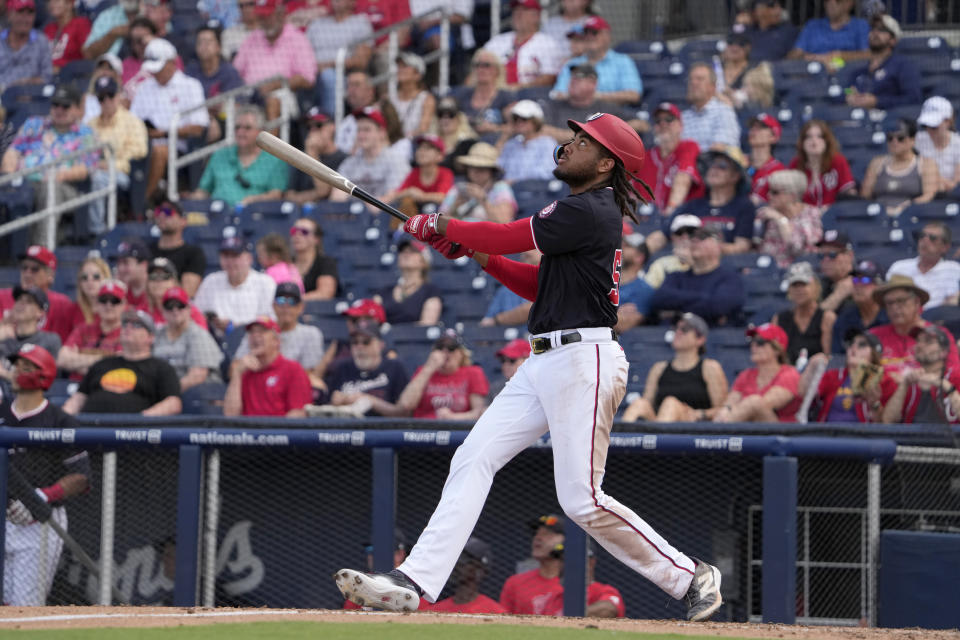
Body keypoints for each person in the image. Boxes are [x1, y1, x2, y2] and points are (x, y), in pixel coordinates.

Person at [338, 112, 724, 622]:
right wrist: (475, 252)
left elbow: (507, 233)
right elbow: (539, 287)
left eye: (585, 141)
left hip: (583, 358)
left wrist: (441, 224)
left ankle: (690, 576)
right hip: (545, 358)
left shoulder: (591, 208)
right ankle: (415, 580)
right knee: (473, 457)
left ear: (607, 162)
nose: (570, 144)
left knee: (582, 499)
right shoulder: (582, 213)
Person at [0, 344, 90, 607]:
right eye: (16, 366)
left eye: (26, 367)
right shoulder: (2, 413)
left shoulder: (60, 420)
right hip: (3, 515)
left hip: (38, 521)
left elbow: (81, 477)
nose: (17, 372)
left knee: (24, 605)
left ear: (44, 375)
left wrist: (40, 497)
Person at [1, 84, 98, 243]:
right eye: (55, 104)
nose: (59, 109)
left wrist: (54, 176)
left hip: (65, 187)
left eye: (65, 106)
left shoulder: (85, 133)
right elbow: (13, 152)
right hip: (25, 181)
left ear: (77, 109)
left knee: (49, 189)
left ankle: (41, 250)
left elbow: (85, 168)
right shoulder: (34, 124)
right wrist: (10, 178)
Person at [130, 38, 209, 201]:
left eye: (159, 68)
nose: (155, 73)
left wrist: (165, 133)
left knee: (160, 151)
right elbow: (132, 120)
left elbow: (199, 127)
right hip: (144, 143)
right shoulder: (144, 87)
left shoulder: (190, 85)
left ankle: (142, 202)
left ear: (172, 62)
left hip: (178, 147)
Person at [63, 309, 182, 415]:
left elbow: (173, 403)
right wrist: (63, 419)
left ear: (150, 337)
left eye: (136, 325)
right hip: (89, 429)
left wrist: (143, 420)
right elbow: (79, 398)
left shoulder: (161, 368)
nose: (128, 328)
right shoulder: (102, 364)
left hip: (132, 433)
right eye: (125, 324)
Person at [622, 313, 729, 422]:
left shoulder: (710, 367)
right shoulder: (659, 368)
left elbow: (722, 409)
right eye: (676, 328)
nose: (678, 332)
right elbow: (647, 403)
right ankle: (621, 437)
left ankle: (658, 437)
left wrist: (699, 414)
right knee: (640, 403)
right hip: (660, 422)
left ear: (700, 339)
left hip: (693, 428)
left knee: (671, 403)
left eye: (685, 329)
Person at [232, 0, 316, 124]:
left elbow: (308, 78)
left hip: (284, 95)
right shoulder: (252, 38)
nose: (264, 21)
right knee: (232, 105)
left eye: (267, 16)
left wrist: (276, 84)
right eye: (261, 16)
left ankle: (267, 143)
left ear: (280, 14)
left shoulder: (297, 39)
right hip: (251, 95)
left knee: (273, 100)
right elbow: (236, 71)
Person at [664, 146, 756, 256]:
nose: (713, 169)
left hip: (726, 267)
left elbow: (742, 247)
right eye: (711, 165)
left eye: (722, 166)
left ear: (735, 176)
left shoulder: (744, 206)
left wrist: (706, 248)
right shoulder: (692, 205)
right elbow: (665, 233)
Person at [190, 105, 288, 207]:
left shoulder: (274, 160)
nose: (240, 132)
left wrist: (254, 200)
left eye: (247, 128)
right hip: (218, 216)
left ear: (260, 131)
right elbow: (203, 191)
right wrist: (191, 201)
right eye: (237, 127)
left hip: (256, 216)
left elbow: (276, 195)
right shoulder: (219, 155)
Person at [87, 76, 148, 237]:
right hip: (92, 170)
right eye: (101, 98)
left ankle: (97, 230)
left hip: (123, 174)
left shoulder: (132, 121)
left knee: (99, 178)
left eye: (110, 96)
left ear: (119, 96)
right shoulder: (90, 125)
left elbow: (139, 153)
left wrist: (111, 164)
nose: (106, 101)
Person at [650, 225, 746, 326]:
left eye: (703, 237)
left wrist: (676, 312)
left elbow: (718, 307)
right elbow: (659, 299)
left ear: (719, 245)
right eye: (692, 238)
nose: (695, 240)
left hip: (714, 338)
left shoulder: (730, 278)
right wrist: (705, 298)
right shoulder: (675, 276)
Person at [870, 275, 960, 376]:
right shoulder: (873, 337)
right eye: (890, 303)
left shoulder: (938, 335)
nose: (895, 307)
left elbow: (953, 374)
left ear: (917, 302)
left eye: (901, 301)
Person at [223, 315, 312, 417]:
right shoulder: (244, 372)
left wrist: (272, 432)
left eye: (262, 331)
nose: (255, 336)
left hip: (279, 431)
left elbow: (298, 413)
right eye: (252, 332)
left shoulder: (293, 370)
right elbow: (230, 415)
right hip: (247, 431)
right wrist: (236, 374)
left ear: (276, 341)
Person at [802, 328, 895, 423]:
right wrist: (810, 367)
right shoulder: (833, 375)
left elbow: (885, 424)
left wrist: (874, 404)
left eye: (862, 345)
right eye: (850, 344)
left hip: (864, 435)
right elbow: (805, 396)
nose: (853, 347)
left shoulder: (885, 380)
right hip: (829, 433)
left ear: (875, 353)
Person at [714, 323, 802, 423]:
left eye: (760, 342)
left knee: (755, 402)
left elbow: (764, 404)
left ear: (777, 349)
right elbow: (730, 403)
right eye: (752, 341)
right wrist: (725, 411)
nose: (753, 346)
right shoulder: (746, 374)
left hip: (781, 432)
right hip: (748, 428)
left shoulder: (789, 373)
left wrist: (729, 415)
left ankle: (718, 433)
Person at [323, 317, 409, 417]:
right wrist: (335, 403)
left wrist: (370, 402)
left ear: (380, 345)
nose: (359, 347)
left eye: (366, 342)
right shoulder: (343, 368)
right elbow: (326, 409)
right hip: (347, 429)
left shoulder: (395, 368)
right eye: (355, 342)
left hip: (382, 430)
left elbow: (404, 413)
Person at [397, 329, 488, 420]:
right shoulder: (423, 371)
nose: (445, 351)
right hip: (423, 429)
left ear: (461, 353)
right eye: (440, 347)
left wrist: (452, 417)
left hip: (458, 430)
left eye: (451, 347)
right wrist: (429, 368)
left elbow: (479, 413)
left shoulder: (473, 372)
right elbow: (406, 405)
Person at [551, 16, 642, 106]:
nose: (590, 36)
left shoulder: (623, 61)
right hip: (577, 113)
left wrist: (594, 96)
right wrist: (580, 96)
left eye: (594, 32)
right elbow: (557, 94)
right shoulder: (572, 63)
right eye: (586, 32)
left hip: (611, 114)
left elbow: (633, 95)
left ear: (607, 36)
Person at [194, 235, 277, 334]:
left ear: (249, 259)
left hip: (253, 341)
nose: (230, 261)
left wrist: (234, 327)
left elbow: (272, 321)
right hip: (216, 342)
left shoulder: (265, 283)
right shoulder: (211, 281)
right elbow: (196, 316)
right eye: (225, 256)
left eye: (235, 256)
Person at [234, 281, 323, 372]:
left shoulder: (310, 334)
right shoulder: (257, 332)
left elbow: (309, 374)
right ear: (273, 305)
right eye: (281, 300)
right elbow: (233, 368)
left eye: (292, 301)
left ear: (301, 307)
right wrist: (243, 364)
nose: (286, 306)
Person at [306, 0, 373, 117]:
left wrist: (327, 66)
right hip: (311, 75)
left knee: (328, 76)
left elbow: (361, 61)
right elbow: (302, 54)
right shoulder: (316, 24)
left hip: (342, 74)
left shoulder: (360, 22)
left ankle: (331, 121)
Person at [541, 64, 640, 144]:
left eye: (579, 77)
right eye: (572, 77)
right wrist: (589, 136)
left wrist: (609, 131)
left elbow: (641, 124)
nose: (573, 80)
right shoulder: (553, 106)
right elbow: (540, 129)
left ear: (593, 84)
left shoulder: (606, 108)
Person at [634, 103, 704, 215]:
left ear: (680, 126)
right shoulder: (646, 157)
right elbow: (634, 195)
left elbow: (683, 179)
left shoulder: (689, 147)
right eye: (658, 121)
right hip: (647, 220)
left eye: (669, 119)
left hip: (681, 217)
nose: (663, 124)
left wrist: (670, 210)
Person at [331, 106, 410, 205]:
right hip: (353, 217)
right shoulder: (350, 162)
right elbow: (336, 197)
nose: (361, 135)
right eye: (359, 130)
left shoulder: (395, 159)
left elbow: (392, 198)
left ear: (381, 132)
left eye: (367, 130)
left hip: (385, 216)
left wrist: (361, 206)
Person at [882, 325, 960, 424]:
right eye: (918, 341)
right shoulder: (912, 381)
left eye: (928, 341)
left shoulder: (956, 376)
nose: (920, 345)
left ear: (943, 352)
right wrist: (904, 385)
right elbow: (887, 420)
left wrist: (944, 385)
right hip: (914, 438)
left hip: (950, 438)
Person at [861, 119, 939, 216]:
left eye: (900, 138)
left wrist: (907, 207)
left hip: (911, 215)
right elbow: (865, 196)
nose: (894, 142)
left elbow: (929, 196)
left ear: (912, 141)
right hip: (879, 215)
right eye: (890, 138)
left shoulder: (926, 164)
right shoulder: (877, 163)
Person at [152, 286, 224, 392]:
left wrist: (166, 393)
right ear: (163, 310)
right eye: (169, 306)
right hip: (165, 394)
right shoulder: (157, 334)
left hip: (197, 396)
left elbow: (197, 376)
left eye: (180, 306)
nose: (175, 311)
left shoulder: (198, 335)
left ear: (189, 309)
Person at [843, 14, 921, 111]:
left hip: (889, 120)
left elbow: (913, 99)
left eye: (882, 30)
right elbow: (847, 88)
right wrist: (849, 94)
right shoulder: (859, 69)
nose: (875, 33)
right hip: (858, 119)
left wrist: (877, 101)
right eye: (872, 29)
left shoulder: (903, 66)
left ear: (893, 40)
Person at [481, 0, 564, 90]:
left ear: (537, 16)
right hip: (494, 93)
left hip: (531, 95)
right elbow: (477, 67)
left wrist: (517, 88)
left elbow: (549, 78)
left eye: (524, 10)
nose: (518, 14)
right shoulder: (498, 41)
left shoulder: (547, 43)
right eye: (515, 10)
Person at [0, 246, 76, 342]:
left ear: (50, 275)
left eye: (35, 269)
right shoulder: (2, 296)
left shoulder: (62, 304)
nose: (27, 273)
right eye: (24, 267)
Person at [184, 22, 244, 142]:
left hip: (223, 122)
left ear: (218, 47)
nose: (204, 46)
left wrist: (212, 117)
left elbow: (235, 105)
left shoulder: (229, 72)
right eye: (200, 42)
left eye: (208, 42)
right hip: (194, 121)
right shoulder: (191, 70)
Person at [57, 279, 126, 377]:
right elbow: (62, 360)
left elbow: (119, 365)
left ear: (124, 305)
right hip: (75, 386)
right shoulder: (82, 329)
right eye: (103, 300)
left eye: (115, 301)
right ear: (97, 304)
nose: (108, 305)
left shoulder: (127, 333)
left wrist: (78, 360)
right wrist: (106, 358)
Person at [497, 514, 565, 615]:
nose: (538, 537)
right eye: (536, 533)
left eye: (547, 534)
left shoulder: (579, 584)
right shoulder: (515, 583)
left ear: (567, 540)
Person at [772, 262, 836, 364]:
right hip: (789, 375)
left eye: (803, 284)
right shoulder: (779, 319)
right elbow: (775, 357)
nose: (799, 290)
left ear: (815, 287)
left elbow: (828, 357)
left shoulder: (826, 318)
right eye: (794, 285)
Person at [756, 169, 822, 267]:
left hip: (800, 271)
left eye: (775, 192)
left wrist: (781, 220)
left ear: (792, 195)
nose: (769, 195)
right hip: (768, 271)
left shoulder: (810, 214)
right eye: (769, 191)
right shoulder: (767, 215)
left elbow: (797, 249)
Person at [886, 222, 960, 310]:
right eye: (921, 236)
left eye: (932, 238)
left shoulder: (955, 270)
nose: (925, 240)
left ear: (945, 247)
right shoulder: (899, 267)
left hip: (941, 320)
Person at [422, 537, 505, 614]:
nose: (458, 564)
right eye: (456, 559)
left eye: (465, 560)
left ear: (480, 570)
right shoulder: (434, 612)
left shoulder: (495, 613)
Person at [439, 142, 517, 223]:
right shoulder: (458, 189)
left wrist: (483, 200)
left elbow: (504, 221)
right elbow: (440, 221)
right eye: (471, 167)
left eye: (481, 168)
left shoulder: (500, 188)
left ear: (491, 170)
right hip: (461, 233)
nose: (475, 171)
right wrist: (454, 207)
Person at [283, 109, 347, 204]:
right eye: (309, 127)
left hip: (328, 214)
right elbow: (289, 197)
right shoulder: (301, 158)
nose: (313, 131)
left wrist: (312, 154)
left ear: (332, 127)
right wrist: (315, 194)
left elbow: (324, 191)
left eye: (318, 126)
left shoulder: (343, 159)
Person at [788, 119, 856, 208]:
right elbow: (788, 197)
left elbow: (849, 194)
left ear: (827, 141)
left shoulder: (838, 161)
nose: (814, 141)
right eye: (808, 137)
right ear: (802, 142)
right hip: (804, 216)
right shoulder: (796, 163)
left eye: (819, 136)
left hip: (833, 215)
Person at [373, 239, 442, 325]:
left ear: (424, 262)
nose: (406, 254)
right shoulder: (384, 292)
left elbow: (427, 325)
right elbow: (372, 321)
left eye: (413, 251)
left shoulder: (430, 291)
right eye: (403, 251)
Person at [0, 287, 62, 383]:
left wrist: (6, 374)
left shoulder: (50, 340)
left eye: (29, 301)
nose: (21, 304)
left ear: (40, 312)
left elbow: (45, 377)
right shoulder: (3, 337)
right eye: (19, 299)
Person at [149, 200, 206, 298]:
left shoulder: (193, 253)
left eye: (168, 212)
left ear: (183, 221)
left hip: (175, 308)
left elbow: (187, 293)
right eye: (159, 211)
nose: (162, 215)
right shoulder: (147, 250)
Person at [787, 0, 869, 68]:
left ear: (849, 3)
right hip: (812, 73)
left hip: (846, 74)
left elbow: (868, 55)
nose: (831, 3)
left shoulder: (861, 26)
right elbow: (794, 55)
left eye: (837, 1)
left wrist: (840, 55)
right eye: (827, 0)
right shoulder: (812, 25)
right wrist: (809, 58)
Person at [385, 135, 455, 212]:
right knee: (406, 202)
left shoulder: (445, 173)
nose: (421, 151)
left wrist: (422, 196)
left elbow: (443, 197)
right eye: (420, 147)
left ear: (440, 156)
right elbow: (397, 195)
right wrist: (409, 191)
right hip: (417, 216)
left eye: (428, 148)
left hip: (435, 218)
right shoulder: (415, 172)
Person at [680, 63, 741, 152]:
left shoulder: (724, 112)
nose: (693, 83)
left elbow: (719, 150)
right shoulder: (683, 117)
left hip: (712, 164)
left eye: (699, 79)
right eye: (691, 80)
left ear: (712, 87)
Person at [831, 260, 888, 353]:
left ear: (879, 286)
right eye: (855, 280)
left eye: (865, 280)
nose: (858, 285)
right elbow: (837, 355)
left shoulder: (890, 316)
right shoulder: (845, 317)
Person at [496, 100, 558, 183]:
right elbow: (497, 167)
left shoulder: (548, 143)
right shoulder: (511, 144)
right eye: (515, 118)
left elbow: (546, 172)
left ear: (535, 121)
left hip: (535, 191)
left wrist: (516, 181)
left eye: (524, 119)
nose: (518, 122)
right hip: (507, 191)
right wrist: (504, 136)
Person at [458, 49, 513, 137]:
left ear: (497, 70)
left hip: (493, 143)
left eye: (486, 65)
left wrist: (494, 128)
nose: (481, 69)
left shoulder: (506, 97)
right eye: (477, 65)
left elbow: (515, 127)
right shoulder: (464, 95)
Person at [0, 0, 53, 92]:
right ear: (9, 15)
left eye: (30, 13)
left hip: (31, 98)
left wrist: (24, 83)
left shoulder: (41, 41)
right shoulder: (1, 40)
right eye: (20, 12)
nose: (25, 19)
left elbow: (47, 78)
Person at [143, 257, 207, 329]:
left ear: (174, 282)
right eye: (153, 276)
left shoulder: (187, 311)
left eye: (165, 276)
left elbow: (202, 338)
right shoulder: (142, 311)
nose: (158, 281)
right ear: (147, 282)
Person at [481, 250, 539, 328]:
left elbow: (532, 310)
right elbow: (486, 322)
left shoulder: (551, 283)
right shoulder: (504, 291)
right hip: (508, 338)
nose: (527, 252)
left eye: (534, 249)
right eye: (525, 249)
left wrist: (498, 319)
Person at [915, 96, 960, 193]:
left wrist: (932, 179)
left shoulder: (958, 143)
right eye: (925, 125)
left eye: (934, 126)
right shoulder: (917, 140)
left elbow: (956, 185)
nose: (929, 130)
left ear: (948, 121)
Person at [289, 217, 338, 301]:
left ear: (316, 239)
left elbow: (325, 294)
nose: (297, 235)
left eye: (304, 232)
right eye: (294, 231)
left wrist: (293, 301)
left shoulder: (325, 262)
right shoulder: (286, 263)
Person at [388, 52, 435, 139]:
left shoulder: (426, 99)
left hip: (413, 144)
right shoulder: (390, 97)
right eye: (399, 67)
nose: (400, 70)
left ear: (417, 75)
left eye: (405, 67)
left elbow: (423, 129)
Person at [644, 214, 697, 290]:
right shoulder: (661, 265)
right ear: (672, 236)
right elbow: (648, 293)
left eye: (691, 232)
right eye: (679, 232)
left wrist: (692, 262)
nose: (685, 237)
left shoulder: (711, 262)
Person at [334, 68, 377, 154]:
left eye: (357, 84)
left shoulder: (379, 115)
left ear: (370, 90)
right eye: (349, 85)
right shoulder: (346, 120)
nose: (352, 89)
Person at [746, 113, 785, 204]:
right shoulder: (738, 163)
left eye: (761, 128)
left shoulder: (778, 170)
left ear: (773, 137)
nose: (754, 130)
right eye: (752, 127)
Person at [44, 0, 91, 72]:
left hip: (70, 76)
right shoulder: (49, 29)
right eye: (50, 1)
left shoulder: (81, 24)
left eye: (56, 1)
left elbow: (89, 56)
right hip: (46, 75)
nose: (52, 4)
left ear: (69, 4)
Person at [817, 230, 857, 314]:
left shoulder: (863, 279)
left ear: (849, 255)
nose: (826, 260)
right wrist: (838, 295)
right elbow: (812, 323)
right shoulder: (820, 285)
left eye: (832, 254)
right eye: (821, 255)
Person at [70, 256, 111, 327]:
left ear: (106, 279)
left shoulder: (115, 308)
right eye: (84, 277)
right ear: (80, 283)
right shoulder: (71, 310)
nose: (90, 281)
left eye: (96, 276)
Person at [115, 238, 151, 311]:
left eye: (126, 263)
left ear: (143, 265)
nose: (120, 268)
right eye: (118, 263)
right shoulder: (119, 291)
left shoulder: (156, 290)